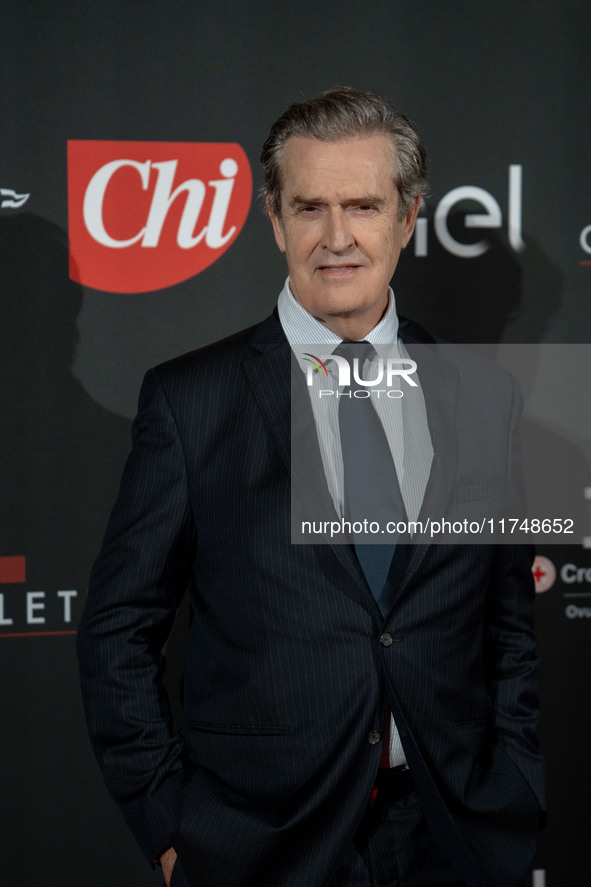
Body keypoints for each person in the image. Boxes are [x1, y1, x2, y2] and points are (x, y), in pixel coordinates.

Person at [77, 87, 545, 887]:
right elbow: (118, 627)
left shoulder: (480, 395)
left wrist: (515, 789)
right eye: (309, 207)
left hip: (452, 837)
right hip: (261, 849)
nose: (337, 238)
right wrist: (169, 827)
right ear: (273, 218)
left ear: (405, 218)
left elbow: (506, 627)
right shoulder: (192, 401)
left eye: (363, 205)